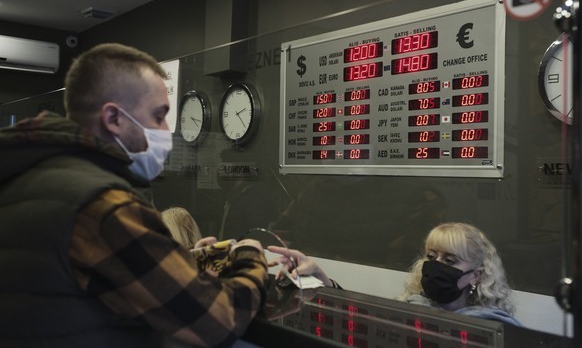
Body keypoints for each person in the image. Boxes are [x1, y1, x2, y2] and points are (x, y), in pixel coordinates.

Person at [0, 43, 269, 348]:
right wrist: (250, 258)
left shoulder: (25, 177)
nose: (167, 130)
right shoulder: (102, 205)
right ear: (114, 118)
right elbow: (216, 321)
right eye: (158, 116)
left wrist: (186, 263)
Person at [268, 222, 521, 326]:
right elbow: (361, 325)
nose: (436, 265)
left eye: (450, 260)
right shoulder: (411, 310)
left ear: (476, 276)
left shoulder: (495, 330)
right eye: (432, 257)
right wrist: (320, 279)